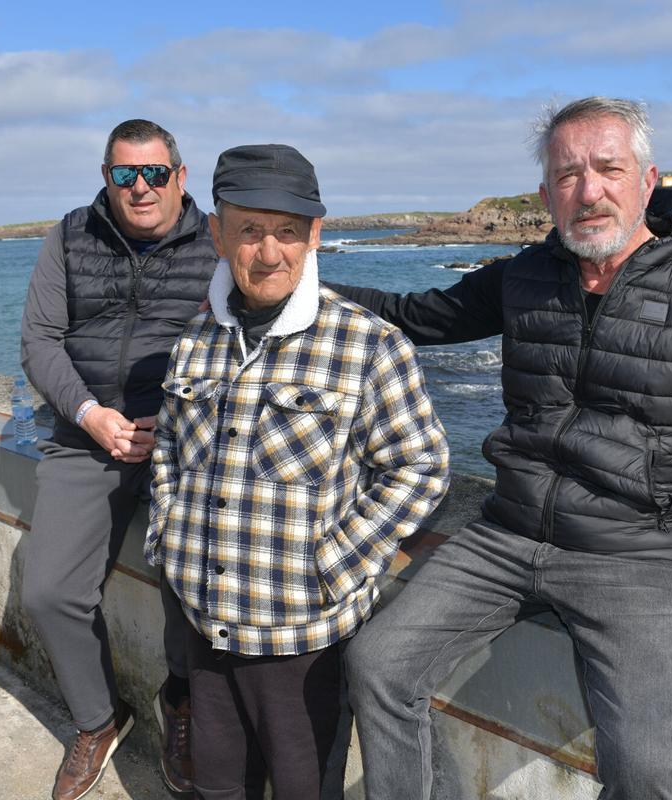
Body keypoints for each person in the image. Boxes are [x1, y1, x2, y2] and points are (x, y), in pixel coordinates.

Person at [334, 97, 672, 799]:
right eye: (568, 175)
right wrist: (291, 283)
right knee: (377, 665)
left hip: (640, 554)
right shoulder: (525, 276)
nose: (590, 191)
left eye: (608, 168)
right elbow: (412, 317)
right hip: (508, 534)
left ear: (649, 179)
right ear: (546, 194)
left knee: (643, 767)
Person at [144, 143, 450, 799]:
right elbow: (170, 450)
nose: (270, 251)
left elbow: (420, 467)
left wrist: (337, 559)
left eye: (288, 231)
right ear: (217, 233)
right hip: (205, 627)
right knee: (217, 788)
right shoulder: (196, 342)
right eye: (249, 230)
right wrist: (168, 540)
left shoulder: (368, 343)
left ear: (314, 235)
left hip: (303, 642)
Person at [20, 119, 218, 800]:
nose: (141, 188)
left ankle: (183, 706)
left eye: (155, 174)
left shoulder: (221, 243)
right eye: (125, 174)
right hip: (88, 433)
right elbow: (40, 342)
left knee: (200, 582)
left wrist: (182, 415)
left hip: (186, 438)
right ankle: (98, 720)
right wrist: (89, 414)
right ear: (107, 177)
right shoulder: (70, 236)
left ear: (180, 177)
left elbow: (253, 345)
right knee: (48, 591)